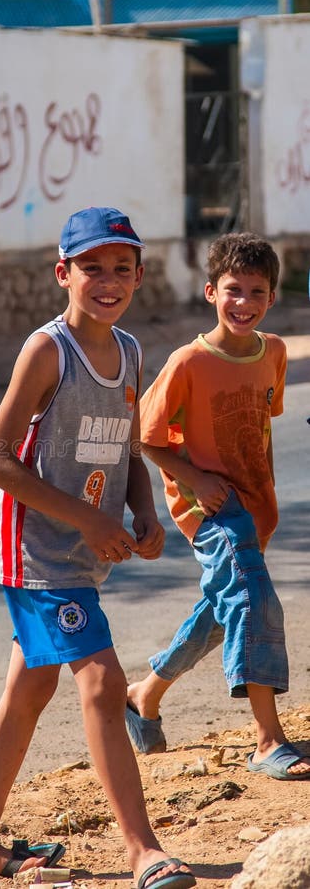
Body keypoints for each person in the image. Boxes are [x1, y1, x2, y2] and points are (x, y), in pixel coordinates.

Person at [0, 207, 197, 889]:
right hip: (35, 549)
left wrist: (143, 515)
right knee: (103, 681)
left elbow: (127, 455)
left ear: (140, 277)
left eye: (121, 268)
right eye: (91, 267)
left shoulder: (129, 353)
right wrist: (89, 521)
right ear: (63, 274)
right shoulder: (46, 350)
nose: (107, 280)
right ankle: (142, 849)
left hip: (78, 554)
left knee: (28, 693)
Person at [126, 231, 310, 782]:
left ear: (272, 298)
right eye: (233, 289)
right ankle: (267, 739)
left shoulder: (274, 353)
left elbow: (259, 424)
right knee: (256, 603)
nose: (244, 303)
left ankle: (143, 693)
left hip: (256, 507)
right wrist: (194, 479)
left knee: (222, 608)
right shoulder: (188, 362)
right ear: (210, 291)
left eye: (257, 291)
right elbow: (147, 437)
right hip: (211, 508)